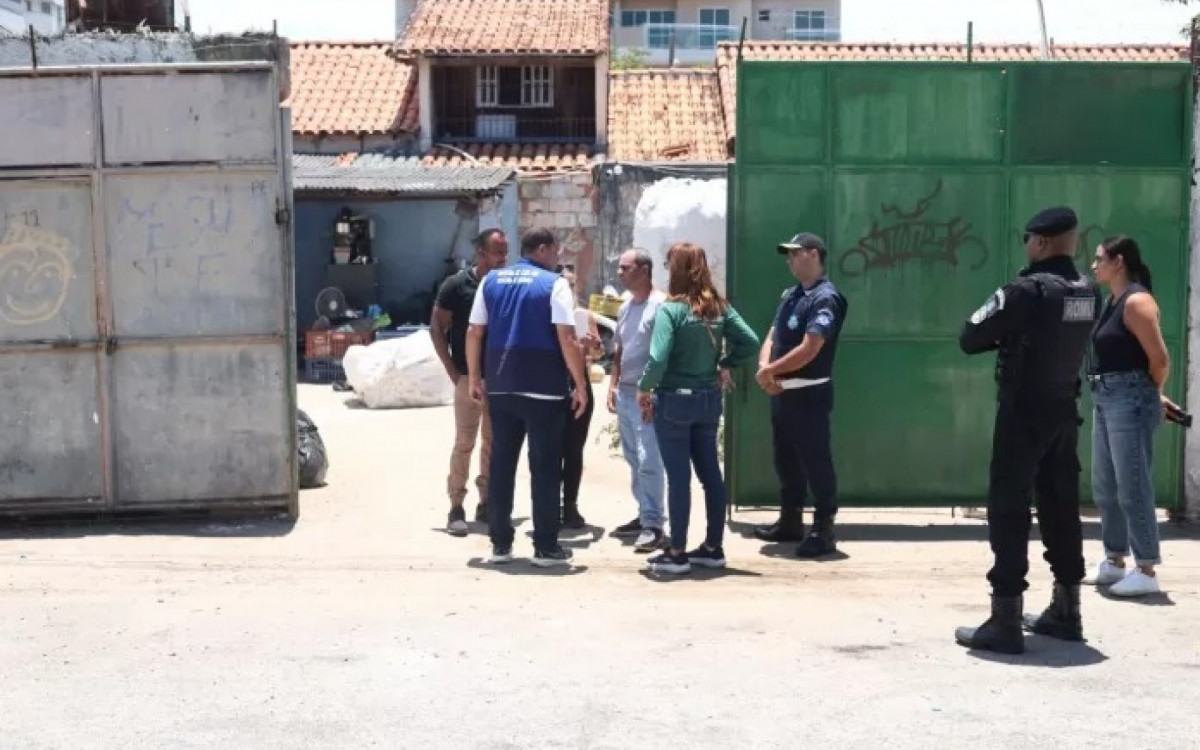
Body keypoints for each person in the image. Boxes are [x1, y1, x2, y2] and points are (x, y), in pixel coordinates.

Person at [954, 207, 1100, 655]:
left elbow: (970, 336)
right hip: (1063, 411)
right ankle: (1067, 610)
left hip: (1023, 413)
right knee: (1060, 506)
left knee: (1010, 508)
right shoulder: (1089, 292)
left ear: (1038, 242)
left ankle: (1006, 619)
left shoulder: (1026, 290)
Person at [466, 228, 588, 567]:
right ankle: (546, 547)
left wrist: (476, 377)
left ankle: (501, 544)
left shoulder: (491, 281)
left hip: (502, 386)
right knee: (545, 466)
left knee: (502, 464)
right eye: (555, 252)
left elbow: (475, 331)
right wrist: (579, 384)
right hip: (544, 387)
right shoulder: (554, 284)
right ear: (544, 249)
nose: (557, 259)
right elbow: (567, 337)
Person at [637, 243, 760, 575]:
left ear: (675, 269)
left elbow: (659, 357)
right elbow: (750, 341)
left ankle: (677, 552)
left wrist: (645, 387)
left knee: (679, 478)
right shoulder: (718, 308)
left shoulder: (671, 310)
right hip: (708, 400)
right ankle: (712, 547)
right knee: (711, 476)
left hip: (674, 401)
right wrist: (724, 362)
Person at [1084, 236, 1176, 597]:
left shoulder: (1137, 302)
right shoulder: (1112, 301)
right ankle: (1114, 560)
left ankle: (1147, 568)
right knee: (1105, 484)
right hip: (1106, 396)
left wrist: (1149, 393)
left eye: (1099, 259)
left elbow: (1160, 359)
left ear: (1118, 261)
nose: (1094, 265)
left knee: (1132, 483)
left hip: (1129, 396)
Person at [752, 232, 849, 558]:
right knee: (786, 461)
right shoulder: (791, 295)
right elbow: (773, 333)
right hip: (781, 392)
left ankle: (824, 529)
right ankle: (790, 521)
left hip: (809, 394)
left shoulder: (825, 298)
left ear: (813, 254)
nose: (789, 260)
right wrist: (766, 366)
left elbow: (811, 348)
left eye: (794, 254)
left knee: (815, 461)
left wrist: (771, 371)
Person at [430, 228, 508, 536]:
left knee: (493, 444)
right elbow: (437, 328)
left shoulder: (505, 285)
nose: (503, 258)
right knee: (465, 442)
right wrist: (453, 372)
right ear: (481, 253)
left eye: (505, 251)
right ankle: (456, 505)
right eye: (497, 252)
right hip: (467, 378)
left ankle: (486, 502)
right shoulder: (457, 286)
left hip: (499, 380)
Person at [607, 249, 668, 553]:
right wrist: (613, 384)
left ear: (643, 270)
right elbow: (619, 349)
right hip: (626, 393)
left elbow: (664, 354)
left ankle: (655, 524)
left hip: (648, 395)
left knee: (649, 459)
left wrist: (652, 390)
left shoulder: (661, 306)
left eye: (625, 268)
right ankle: (644, 512)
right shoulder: (626, 307)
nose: (620, 273)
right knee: (633, 458)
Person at [558, 266, 603, 530]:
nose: (569, 290)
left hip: (580, 383)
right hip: (553, 383)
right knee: (550, 450)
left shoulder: (583, 315)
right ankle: (550, 505)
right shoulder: (548, 314)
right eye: (564, 284)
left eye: (572, 285)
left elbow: (598, 353)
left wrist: (592, 345)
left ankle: (570, 506)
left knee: (574, 451)